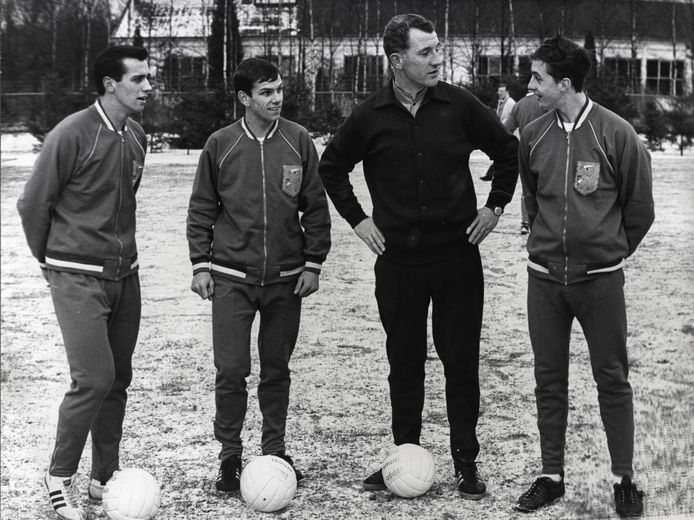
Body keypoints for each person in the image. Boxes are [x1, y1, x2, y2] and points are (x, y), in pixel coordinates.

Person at [318, 13, 517, 499]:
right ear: (397, 60)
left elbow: (507, 150)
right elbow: (332, 166)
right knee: (404, 361)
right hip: (399, 263)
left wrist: (494, 207)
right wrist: (359, 220)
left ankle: (466, 462)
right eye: (425, 52)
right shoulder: (370, 115)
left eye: (436, 50)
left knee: (461, 361)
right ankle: (404, 458)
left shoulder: (459, 105)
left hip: (456, 259)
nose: (435, 59)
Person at [514, 35, 654, 517]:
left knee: (612, 379)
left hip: (600, 281)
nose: (530, 86)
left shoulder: (616, 134)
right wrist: (548, 245)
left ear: (565, 83)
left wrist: (607, 251)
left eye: (538, 78)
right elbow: (532, 199)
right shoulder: (531, 133)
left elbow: (639, 210)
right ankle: (551, 475)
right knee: (548, 380)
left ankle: (623, 480)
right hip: (545, 281)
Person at [16, 45, 151, 520]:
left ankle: (104, 478)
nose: (148, 88)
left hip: (124, 277)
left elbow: (122, 205)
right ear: (110, 84)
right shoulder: (72, 133)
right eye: (138, 80)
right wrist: (51, 262)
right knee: (92, 378)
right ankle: (58, 478)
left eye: (147, 79)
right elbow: (33, 204)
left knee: (117, 378)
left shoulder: (136, 136)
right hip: (76, 276)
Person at [186, 58, 331, 493]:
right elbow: (201, 209)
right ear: (244, 98)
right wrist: (200, 264)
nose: (276, 98)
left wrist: (313, 262)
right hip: (231, 276)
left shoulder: (298, 139)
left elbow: (316, 206)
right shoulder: (221, 144)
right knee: (231, 370)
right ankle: (230, 456)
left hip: (287, 278)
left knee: (276, 369)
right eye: (266, 92)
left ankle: (274, 451)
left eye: (280, 89)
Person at [504, 90, 546, 234]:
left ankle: (525, 222)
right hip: (546, 148)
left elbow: (507, 129)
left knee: (527, 187)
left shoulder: (518, 105)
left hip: (526, 150)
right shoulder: (546, 102)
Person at [480, 83, 516, 181]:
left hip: (508, 133)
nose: (500, 93)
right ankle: (491, 174)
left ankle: (490, 174)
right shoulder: (501, 102)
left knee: (502, 155)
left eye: (502, 91)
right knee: (502, 155)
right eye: (499, 91)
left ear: (507, 92)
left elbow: (513, 119)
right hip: (501, 132)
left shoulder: (511, 103)